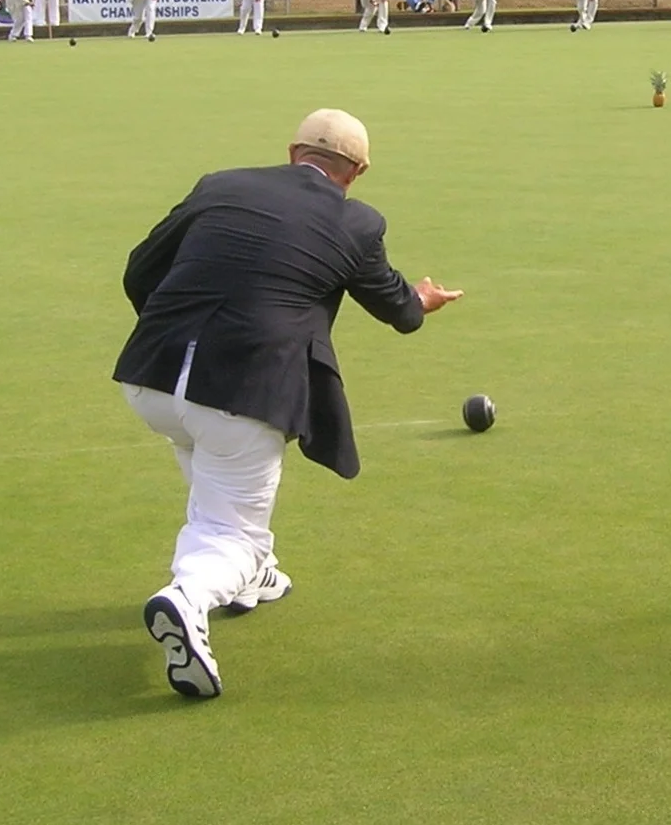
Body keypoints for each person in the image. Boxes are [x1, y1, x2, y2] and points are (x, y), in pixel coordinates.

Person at [114, 109, 462, 697]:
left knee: (208, 462)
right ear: (357, 171)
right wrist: (421, 300)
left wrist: (178, 335)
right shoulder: (357, 222)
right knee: (233, 530)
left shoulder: (219, 184)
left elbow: (138, 272)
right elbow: (398, 310)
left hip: (149, 379)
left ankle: (254, 578)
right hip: (241, 391)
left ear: (294, 151)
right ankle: (188, 597)